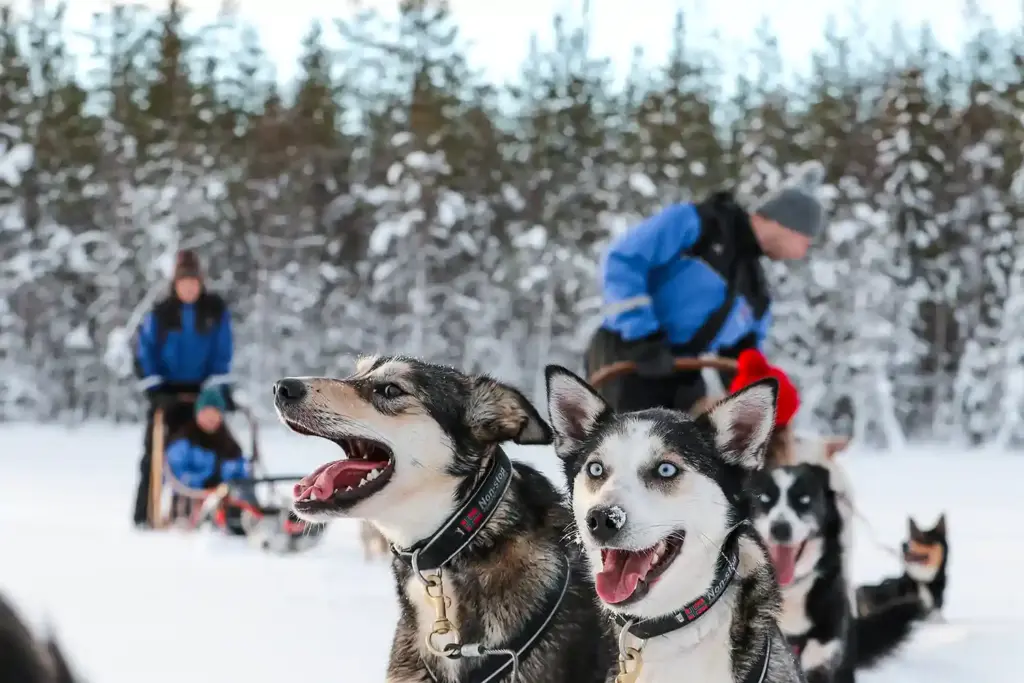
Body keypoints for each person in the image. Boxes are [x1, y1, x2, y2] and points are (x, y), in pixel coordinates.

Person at [586, 161, 826, 414]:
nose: (803, 252)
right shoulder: (699, 226)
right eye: (805, 242)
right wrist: (641, 335)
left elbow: (744, 353)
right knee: (624, 446)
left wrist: (758, 395)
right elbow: (624, 260)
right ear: (786, 224)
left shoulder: (755, 289)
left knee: (698, 445)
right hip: (626, 353)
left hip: (682, 370)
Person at [132, 249, 234, 528]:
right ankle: (144, 516)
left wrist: (219, 390)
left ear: (200, 283)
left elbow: (222, 352)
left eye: (193, 282)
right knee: (155, 453)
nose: (189, 287)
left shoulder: (214, 310)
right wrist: (155, 390)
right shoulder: (161, 313)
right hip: (167, 392)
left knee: (219, 449)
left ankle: (223, 512)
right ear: (175, 284)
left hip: (204, 392)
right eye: (183, 282)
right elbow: (145, 353)